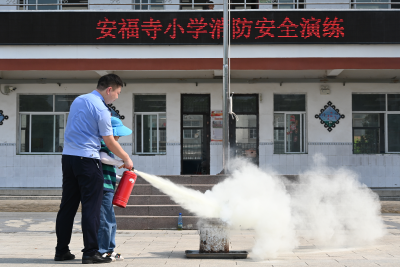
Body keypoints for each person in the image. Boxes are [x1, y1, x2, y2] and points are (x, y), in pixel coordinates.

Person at [54, 74, 133, 264]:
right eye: (117, 93)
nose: (116, 97)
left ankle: (61, 251)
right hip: (88, 161)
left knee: (67, 207)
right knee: (92, 209)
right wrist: (126, 158)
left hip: (69, 159)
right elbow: (109, 141)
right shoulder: (102, 109)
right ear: (109, 90)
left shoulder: (79, 100)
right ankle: (90, 252)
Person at [98, 117, 131, 262]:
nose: (117, 138)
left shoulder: (109, 146)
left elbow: (108, 168)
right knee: (105, 221)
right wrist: (120, 162)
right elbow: (102, 158)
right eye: (117, 134)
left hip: (109, 188)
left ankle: (109, 250)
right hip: (103, 188)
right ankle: (103, 251)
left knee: (111, 221)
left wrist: (121, 178)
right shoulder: (101, 143)